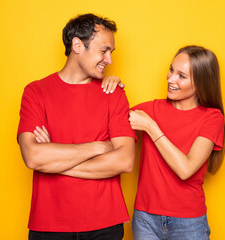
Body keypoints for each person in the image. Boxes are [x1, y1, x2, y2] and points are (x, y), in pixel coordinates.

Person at [17, 13, 136, 240]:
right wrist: (97, 147)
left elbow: (125, 160)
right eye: (104, 50)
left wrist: (54, 159)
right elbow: (33, 157)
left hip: (105, 223)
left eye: (111, 52)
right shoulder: (36, 92)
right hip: (49, 225)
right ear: (77, 45)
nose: (109, 60)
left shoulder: (114, 93)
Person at [129, 45, 225, 240]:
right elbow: (104, 125)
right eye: (171, 70)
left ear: (201, 83)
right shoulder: (150, 109)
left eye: (181, 76)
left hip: (189, 222)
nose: (170, 78)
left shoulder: (212, 118)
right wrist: (108, 85)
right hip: (145, 219)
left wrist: (151, 127)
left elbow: (186, 169)